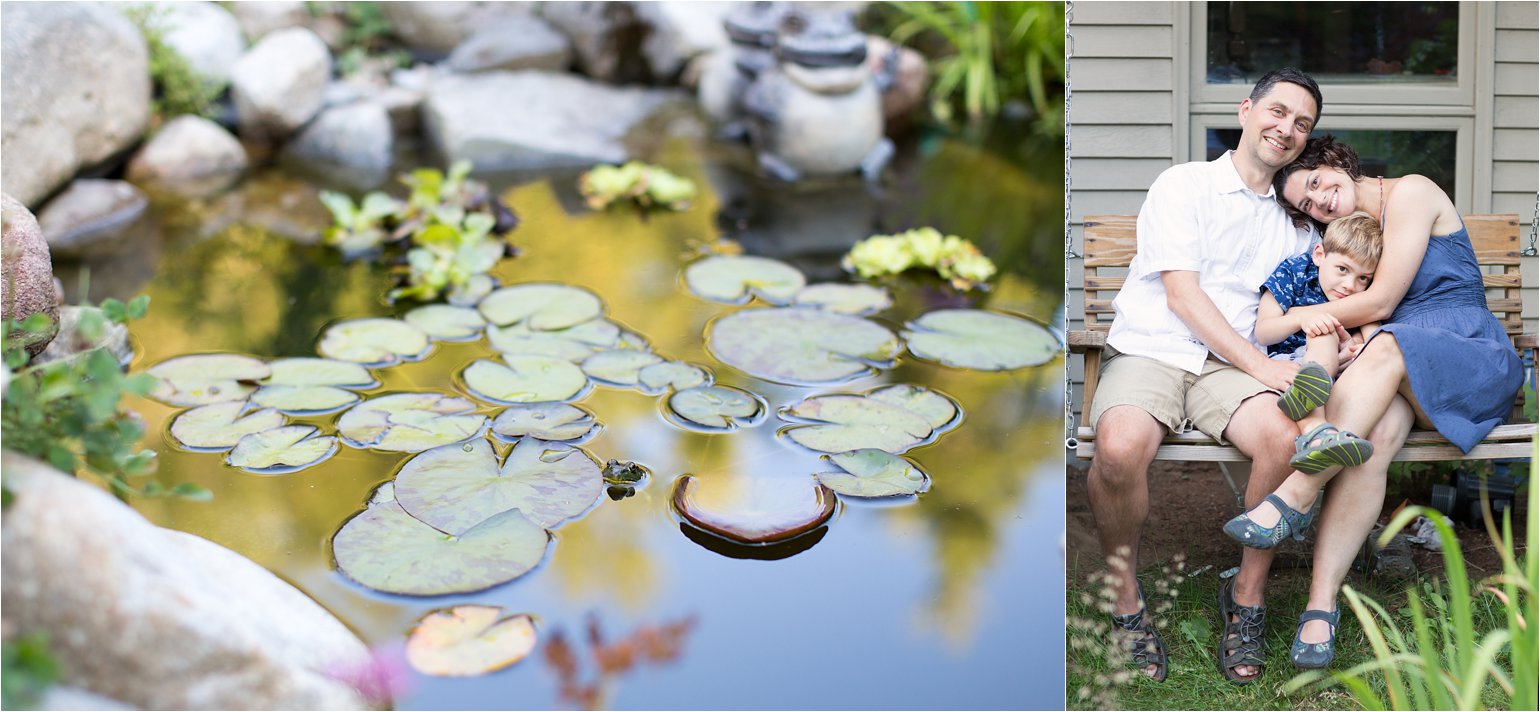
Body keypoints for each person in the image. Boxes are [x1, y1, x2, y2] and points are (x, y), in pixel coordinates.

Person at [1084, 67, 1387, 685]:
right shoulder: (1183, 185)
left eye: (1302, 124)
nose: (1287, 128)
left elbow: (1332, 283)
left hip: (1230, 368)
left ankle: (1245, 598)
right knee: (1117, 449)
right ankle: (1124, 599)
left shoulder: (1300, 223)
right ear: (1247, 110)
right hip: (1155, 349)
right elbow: (1183, 298)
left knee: (1283, 439)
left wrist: (1348, 342)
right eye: (1278, 112)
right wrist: (1266, 369)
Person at [1220, 135, 1524, 669]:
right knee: (1373, 439)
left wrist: (1362, 337)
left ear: (1337, 161)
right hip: (1401, 364)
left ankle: (1295, 493)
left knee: (1384, 346)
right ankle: (1321, 606)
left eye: (1317, 183)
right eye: (1307, 205)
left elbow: (1382, 302)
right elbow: (1350, 304)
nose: (1319, 202)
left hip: (1466, 357)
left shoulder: (1412, 194)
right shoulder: (1354, 241)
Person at [1250, 212, 1383, 476]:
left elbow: (1372, 339)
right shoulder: (1294, 272)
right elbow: (1264, 332)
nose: (1349, 285)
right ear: (1320, 254)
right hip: (1286, 367)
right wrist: (1304, 318)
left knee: (1329, 336)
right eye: (1343, 270)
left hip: (1339, 375)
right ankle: (1317, 428)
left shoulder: (1363, 296)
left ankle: (1317, 428)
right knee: (1323, 332)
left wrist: (1353, 347)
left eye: (1363, 278)